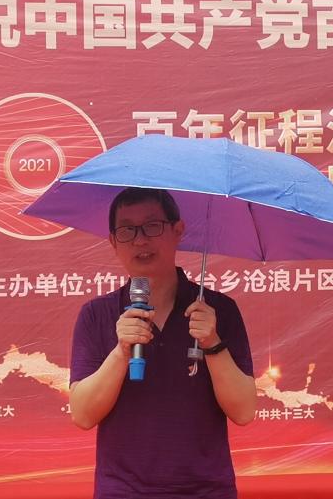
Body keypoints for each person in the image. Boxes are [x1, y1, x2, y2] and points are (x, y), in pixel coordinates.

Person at [69, 187, 256, 499]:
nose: (140, 240)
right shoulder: (96, 315)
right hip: (123, 491)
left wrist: (211, 342)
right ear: (113, 242)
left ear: (178, 230)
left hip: (206, 490)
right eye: (127, 230)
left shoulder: (217, 310)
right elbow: (83, 415)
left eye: (152, 226)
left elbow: (244, 411)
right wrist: (121, 352)